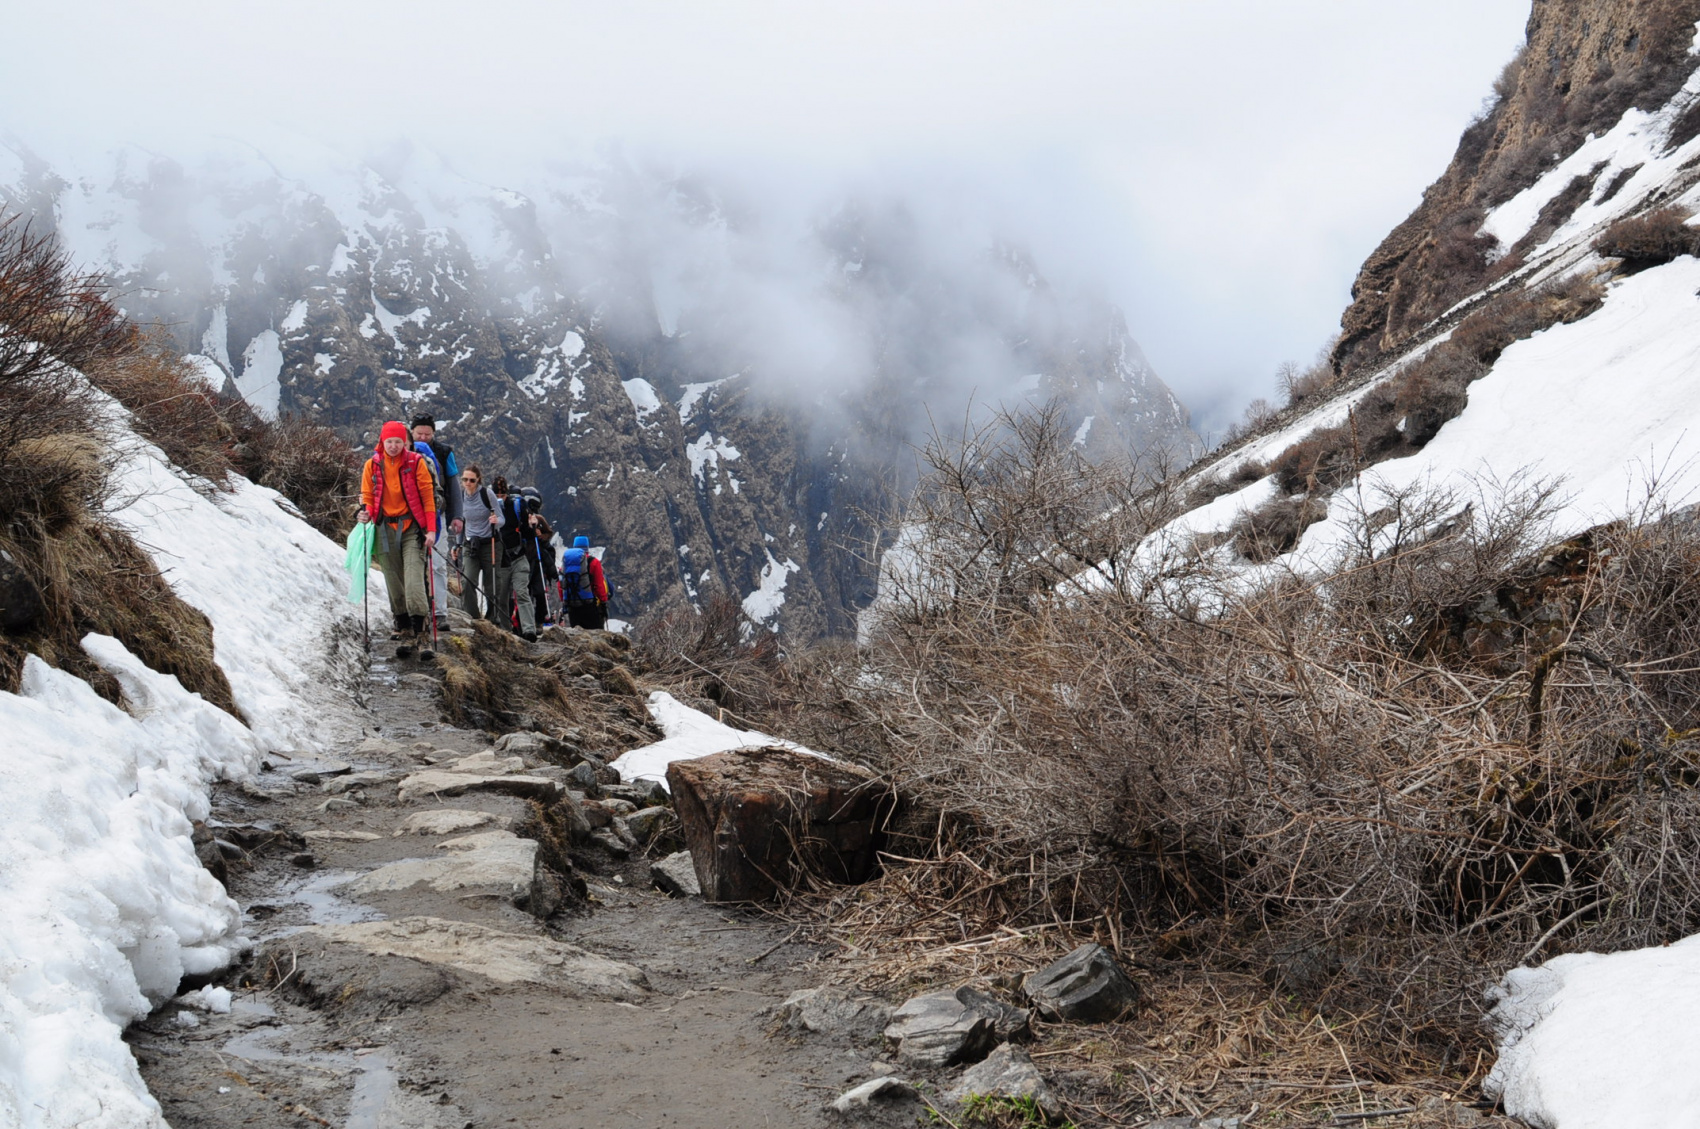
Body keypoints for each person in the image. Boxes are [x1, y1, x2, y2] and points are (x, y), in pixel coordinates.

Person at [359, 420, 438, 657]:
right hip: (384, 529)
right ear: (382, 442)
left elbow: (428, 497)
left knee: (413, 582)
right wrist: (365, 512)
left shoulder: (416, 463)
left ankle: (422, 634)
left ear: (405, 442)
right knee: (394, 583)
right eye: (389, 442)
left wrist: (431, 530)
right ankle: (405, 631)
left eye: (398, 442)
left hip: (412, 528)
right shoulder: (372, 465)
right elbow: (367, 496)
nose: (393, 446)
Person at [411, 416, 462, 630]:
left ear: (434, 434)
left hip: (437, 514)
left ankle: (439, 612)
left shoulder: (444, 452)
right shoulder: (403, 449)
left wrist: (457, 515)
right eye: (419, 434)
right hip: (409, 516)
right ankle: (417, 611)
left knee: (438, 564)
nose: (423, 438)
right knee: (414, 564)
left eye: (428, 434)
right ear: (412, 432)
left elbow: (453, 484)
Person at [491, 476, 539, 641]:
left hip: (518, 557)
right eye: (497, 495)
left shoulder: (517, 506)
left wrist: (531, 526)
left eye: (502, 495)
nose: (500, 498)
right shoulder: (488, 509)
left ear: (507, 494)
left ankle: (529, 630)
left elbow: (528, 534)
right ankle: (506, 631)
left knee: (521, 592)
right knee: (502, 597)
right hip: (502, 560)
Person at [455, 464, 503, 621]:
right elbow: (461, 522)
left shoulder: (487, 494)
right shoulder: (460, 497)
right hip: (470, 544)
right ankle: (474, 619)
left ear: (478, 480)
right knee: (468, 580)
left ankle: (492, 619)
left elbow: (501, 519)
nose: (468, 483)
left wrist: (496, 521)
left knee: (492, 585)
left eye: (471, 480)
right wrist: (458, 544)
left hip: (490, 544)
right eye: (465, 479)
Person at [561, 535, 609, 630]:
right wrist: (603, 602)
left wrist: (566, 600)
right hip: (589, 605)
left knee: (576, 634)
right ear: (587, 547)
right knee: (595, 634)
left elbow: (561, 585)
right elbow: (599, 585)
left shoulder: (567, 563)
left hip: (572, 606)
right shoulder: (594, 562)